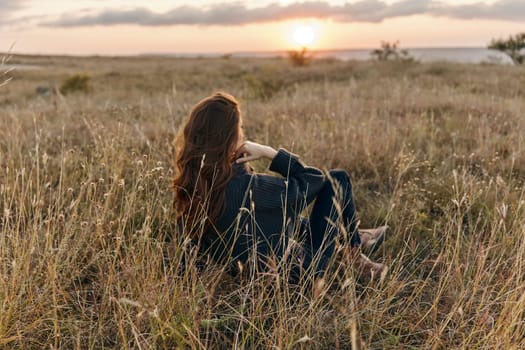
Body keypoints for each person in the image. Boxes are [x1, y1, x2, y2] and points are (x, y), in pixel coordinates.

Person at [173, 92, 387, 282]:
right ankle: (354, 252)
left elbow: (191, 244)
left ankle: (354, 237)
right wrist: (269, 152)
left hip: (250, 272)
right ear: (231, 137)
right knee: (338, 178)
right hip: (302, 271)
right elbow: (314, 178)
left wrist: (187, 277)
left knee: (278, 215)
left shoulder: (192, 185)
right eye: (240, 129)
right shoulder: (249, 186)